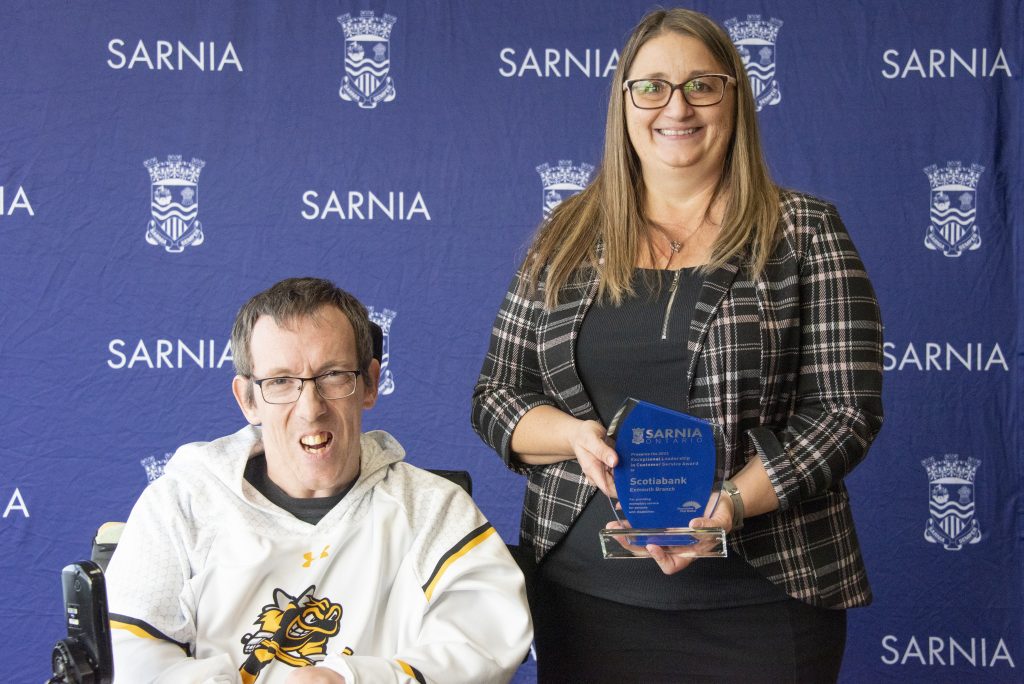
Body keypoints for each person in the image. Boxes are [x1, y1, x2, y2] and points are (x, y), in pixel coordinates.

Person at [471, 8, 883, 683]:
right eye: (652, 86)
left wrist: (732, 505)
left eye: (702, 85)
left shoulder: (805, 231)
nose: (676, 106)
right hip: (585, 601)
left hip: (760, 600)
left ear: (735, 99)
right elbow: (495, 396)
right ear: (624, 103)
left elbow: (845, 413)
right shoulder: (565, 236)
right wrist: (575, 436)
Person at [107, 277, 531, 684]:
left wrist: (351, 680)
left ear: (369, 384)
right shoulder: (182, 503)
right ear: (247, 399)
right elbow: (130, 650)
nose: (311, 409)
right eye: (281, 381)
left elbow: (483, 641)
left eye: (333, 376)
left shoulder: (433, 510)